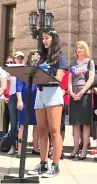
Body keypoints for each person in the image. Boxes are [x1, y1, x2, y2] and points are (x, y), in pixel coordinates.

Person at [28, 28, 66, 178]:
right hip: (40, 93)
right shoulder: (41, 56)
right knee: (42, 130)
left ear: (54, 39)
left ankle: (55, 165)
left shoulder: (60, 58)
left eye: (47, 38)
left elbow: (59, 78)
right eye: (43, 38)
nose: (44, 41)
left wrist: (44, 75)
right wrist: (34, 64)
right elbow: (31, 73)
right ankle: (43, 163)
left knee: (54, 130)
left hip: (53, 93)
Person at [69, 41, 95, 160]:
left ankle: (84, 147)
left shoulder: (90, 62)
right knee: (75, 124)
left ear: (85, 50)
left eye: (81, 48)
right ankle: (75, 148)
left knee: (85, 123)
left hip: (85, 95)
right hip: (74, 95)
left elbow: (91, 79)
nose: (78, 49)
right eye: (77, 47)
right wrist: (71, 92)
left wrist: (81, 92)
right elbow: (69, 81)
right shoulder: (73, 63)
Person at [16, 50, 39, 158]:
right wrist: (19, 100)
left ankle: (35, 147)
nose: (35, 59)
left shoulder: (40, 70)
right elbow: (18, 86)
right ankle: (20, 151)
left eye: (37, 57)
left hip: (37, 100)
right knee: (22, 125)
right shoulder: (23, 70)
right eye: (33, 57)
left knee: (37, 125)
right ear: (29, 58)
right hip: (25, 100)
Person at [6, 51, 24, 155]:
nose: (20, 60)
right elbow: (8, 84)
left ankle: (20, 145)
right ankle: (13, 145)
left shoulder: (24, 69)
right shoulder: (10, 70)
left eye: (21, 58)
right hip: (13, 97)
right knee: (13, 123)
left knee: (21, 123)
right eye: (18, 58)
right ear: (14, 59)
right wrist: (7, 95)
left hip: (22, 97)